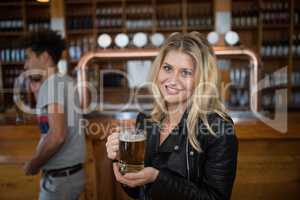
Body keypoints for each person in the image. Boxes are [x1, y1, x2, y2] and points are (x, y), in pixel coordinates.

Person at [106, 32, 238, 200]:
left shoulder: (218, 127)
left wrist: (157, 178)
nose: (172, 80)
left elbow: (216, 198)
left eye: (185, 72)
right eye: (167, 68)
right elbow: (139, 192)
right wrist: (122, 159)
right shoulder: (147, 120)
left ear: (201, 79)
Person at [21, 30, 86, 200]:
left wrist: (33, 165)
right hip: (71, 177)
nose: (25, 65)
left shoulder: (51, 86)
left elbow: (57, 135)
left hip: (60, 182)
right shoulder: (65, 82)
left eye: (28, 57)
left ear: (44, 57)